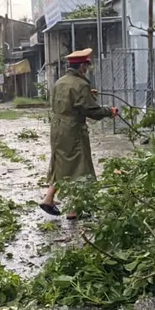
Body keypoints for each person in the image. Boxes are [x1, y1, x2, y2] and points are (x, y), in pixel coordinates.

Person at [39, 48, 118, 219]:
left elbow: (68, 101)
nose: (87, 69)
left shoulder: (60, 82)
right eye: (86, 66)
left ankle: (48, 198)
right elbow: (90, 110)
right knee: (78, 166)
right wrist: (108, 111)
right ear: (82, 66)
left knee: (60, 162)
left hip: (57, 127)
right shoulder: (81, 84)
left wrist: (88, 95)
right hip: (73, 128)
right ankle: (73, 209)